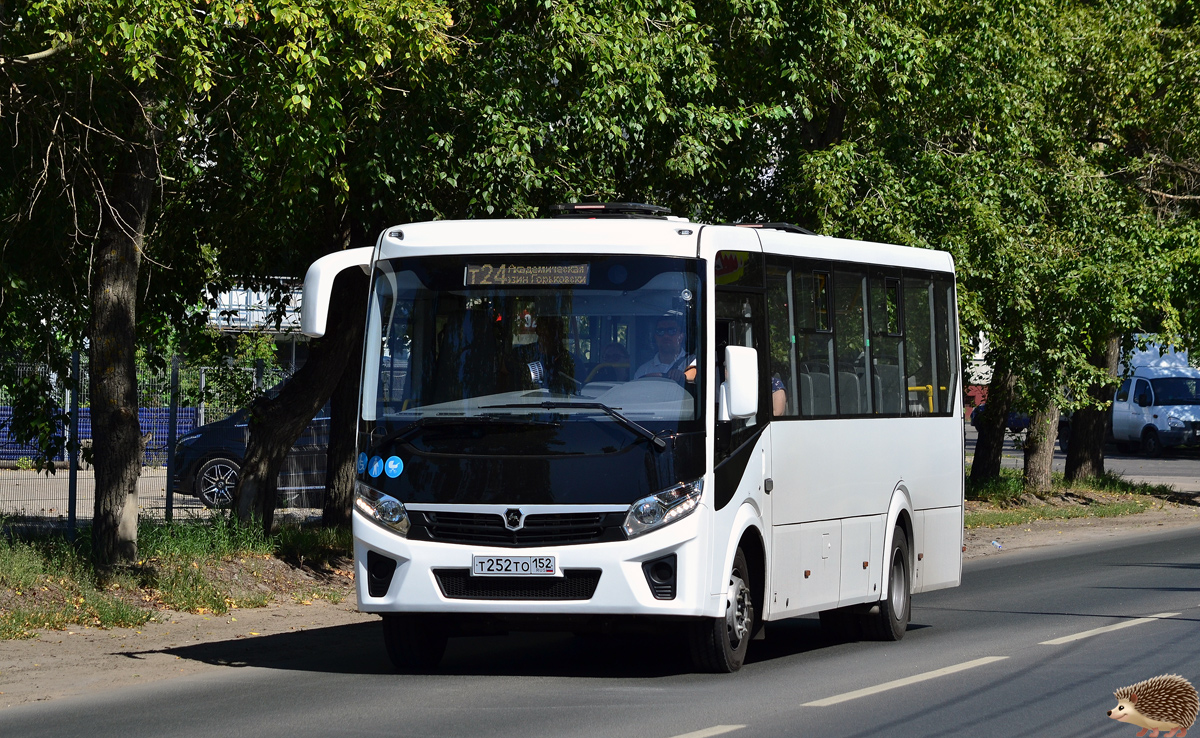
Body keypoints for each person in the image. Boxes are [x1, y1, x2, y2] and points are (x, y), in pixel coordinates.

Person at [634, 315, 697, 383]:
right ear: (655, 337)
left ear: (681, 336)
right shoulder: (643, 371)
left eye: (672, 331)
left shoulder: (693, 362)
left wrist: (684, 378)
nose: (666, 336)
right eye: (660, 331)